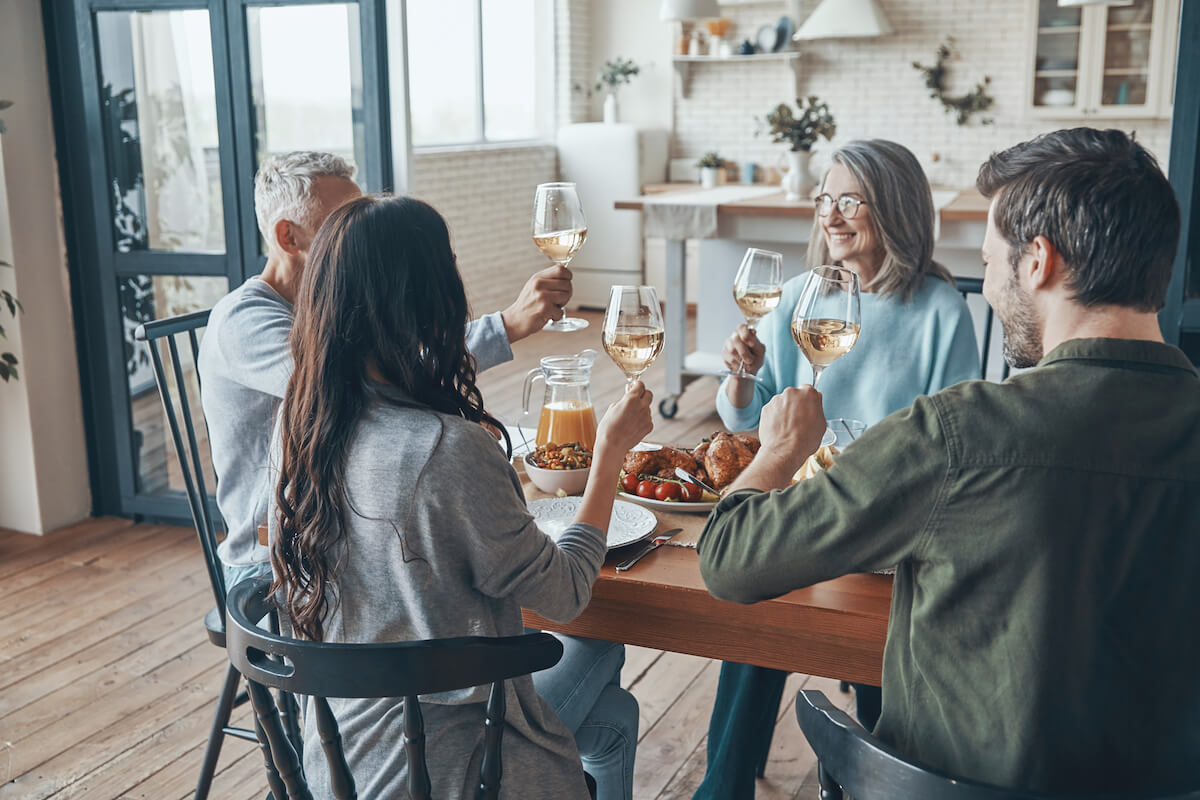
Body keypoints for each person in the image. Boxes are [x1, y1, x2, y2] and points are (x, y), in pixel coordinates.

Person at [697, 128, 1200, 794]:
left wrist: (782, 450)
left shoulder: (957, 436)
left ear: (1038, 263)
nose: (988, 287)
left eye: (991, 263)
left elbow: (731, 556)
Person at [267, 195, 651, 799]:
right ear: (429, 297)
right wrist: (609, 456)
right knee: (600, 641)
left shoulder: (302, 422)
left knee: (613, 718)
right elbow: (567, 592)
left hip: (341, 760)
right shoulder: (447, 449)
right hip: (452, 770)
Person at [695, 140, 981, 799]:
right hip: (805, 512)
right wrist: (740, 377)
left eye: (852, 199)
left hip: (891, 526)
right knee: (755, 613)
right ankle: (722, 786)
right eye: (826, 198)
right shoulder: (799, 294)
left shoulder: (938, 311)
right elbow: (751, 426)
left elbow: (954, 447)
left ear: (898, 209)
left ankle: (889, 775)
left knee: (886, 649)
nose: (832, 213)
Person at [198, 151, 571, 591]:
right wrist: (506, 325)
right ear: (288, 236)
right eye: (344, 222)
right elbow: (368, 384)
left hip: (352, 536)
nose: (363, 236)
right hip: (278, 566)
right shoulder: (243, 323)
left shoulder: (337, 315)